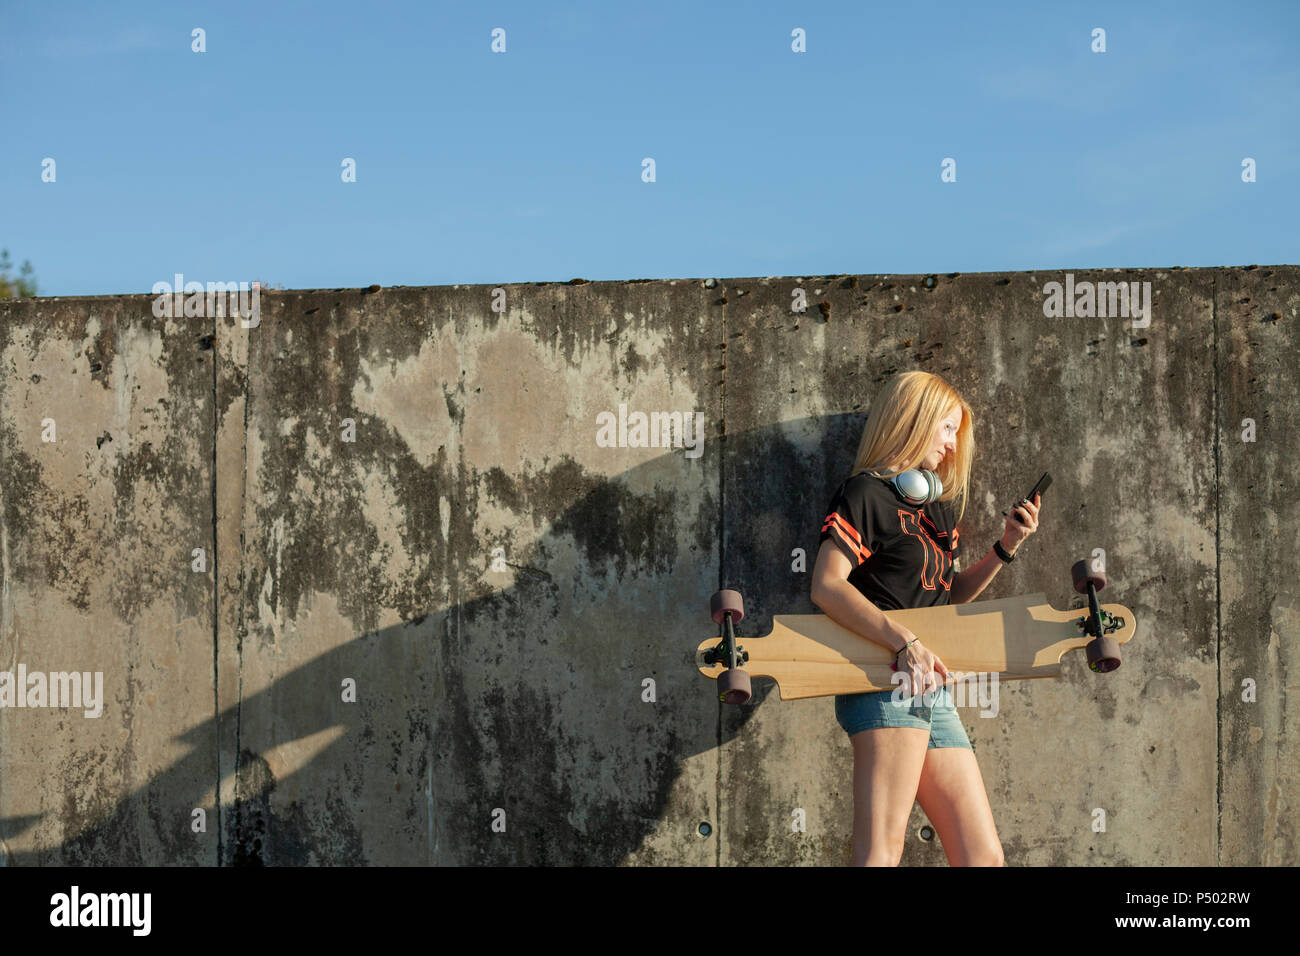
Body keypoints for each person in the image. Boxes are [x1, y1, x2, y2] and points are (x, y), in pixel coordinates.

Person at [810, 371, 1041, 866]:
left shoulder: (937, 514)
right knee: (881, 854)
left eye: (957, 433)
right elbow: (826, 585)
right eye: (946, 429)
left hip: (932, 690)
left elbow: (947, 597)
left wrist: (1005, 548)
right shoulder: (864, 495)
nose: (953, 446)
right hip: (882, 683)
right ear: (914, 422)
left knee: (983, 858)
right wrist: (902, 641)